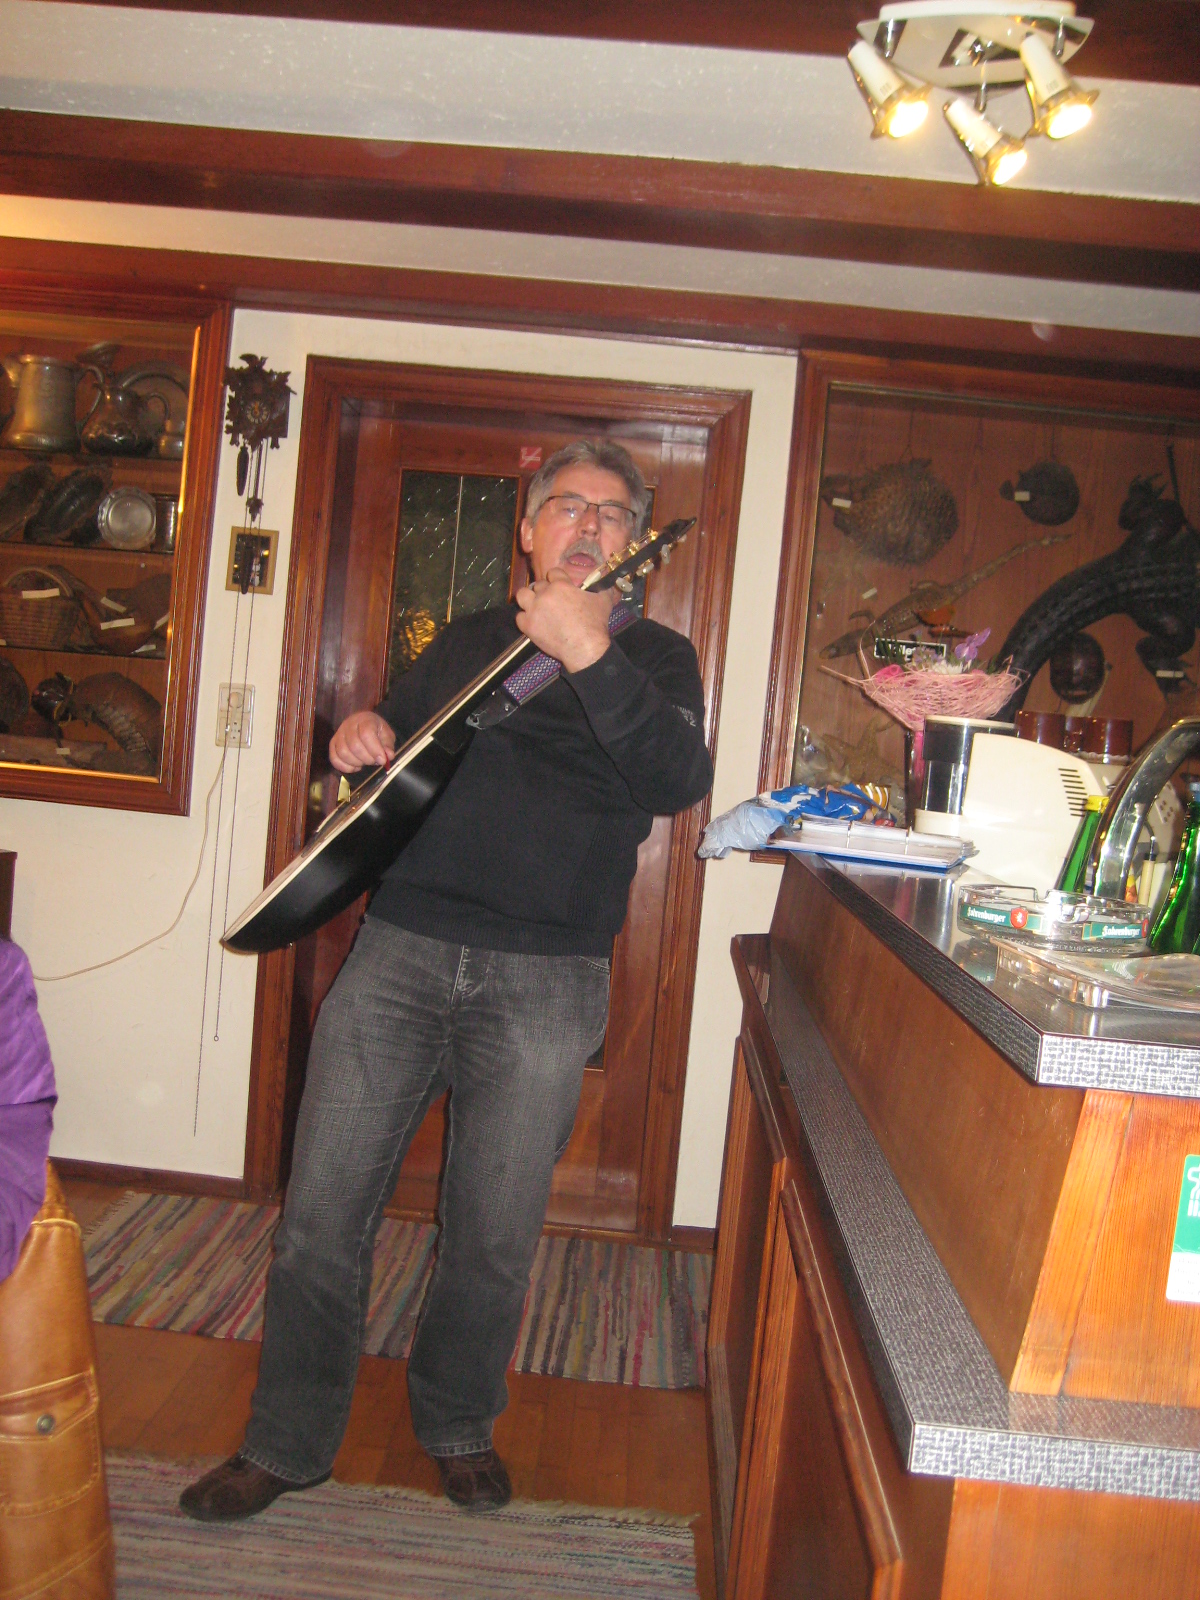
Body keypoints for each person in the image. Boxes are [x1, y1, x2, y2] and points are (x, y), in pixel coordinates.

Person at [181, 438, 713, 1521]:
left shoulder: (658, 659)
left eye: (612, 512)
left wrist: (586, 648)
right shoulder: (467, 640)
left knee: (492, 1232)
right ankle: (286, 1442)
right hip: (400, 952)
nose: (588, 524)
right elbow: (396, 752)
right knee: (321, 1217)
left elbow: (676, 779)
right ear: (529, 530)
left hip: (547, 978)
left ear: (635, 542)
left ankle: (459, 1421)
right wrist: (360, 731)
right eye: (566, 506)